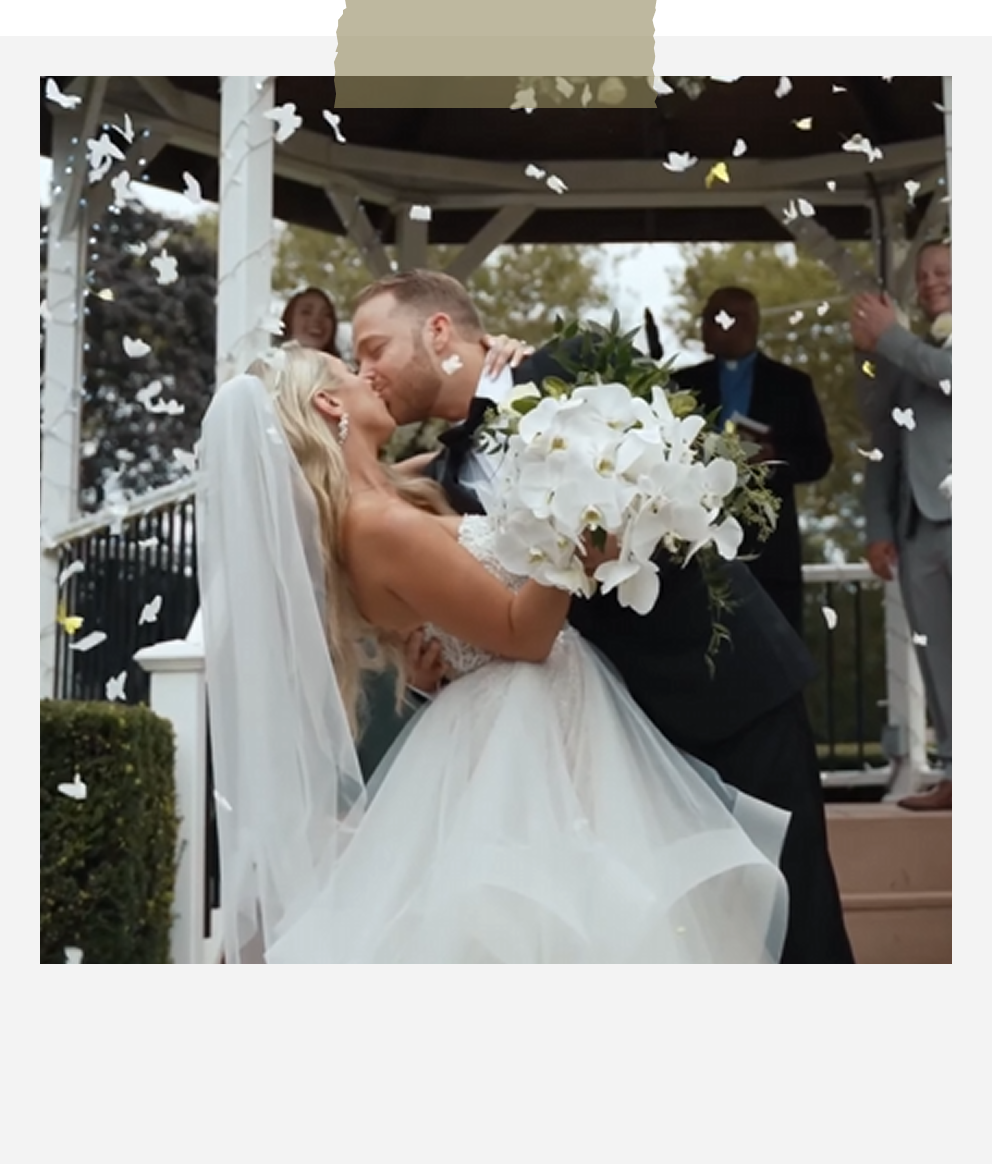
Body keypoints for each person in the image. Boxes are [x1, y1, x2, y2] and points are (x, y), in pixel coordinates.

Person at [196, 343, 792, 963]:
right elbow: (521, 635)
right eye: (351, 369)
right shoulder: (375, 523)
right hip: (523, 730)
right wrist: (579, 529)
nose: (368, 374)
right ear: (327, 401)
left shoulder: (396, 490)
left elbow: (479, 460)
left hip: (544, 718)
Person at [350, 269, 855, 964]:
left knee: (799, 935)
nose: (364, 370)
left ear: (437, 331)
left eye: (373, 347)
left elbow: (698, 469)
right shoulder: (432, 487)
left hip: (725, 694)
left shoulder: (575, 362)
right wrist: (440, 663)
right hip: (610, 751)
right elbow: (497, 611)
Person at [850, 241, 952, 812]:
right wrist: (876, 525)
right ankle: (958, 772)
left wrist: (891, 337)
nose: (931, 281)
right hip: (916, 527)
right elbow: (883, 440)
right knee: (937, 655)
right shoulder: (910, 348)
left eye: (943, 271)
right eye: (924, 274)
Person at [674, 287, 833, 640]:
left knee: (776, 656)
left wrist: (773, 458)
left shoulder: (791, 385)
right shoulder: (682, 385)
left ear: (749, 324)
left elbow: (818, 458)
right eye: (707, 317)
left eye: (720, 317)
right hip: (696, 549)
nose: (709, 326)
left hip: (769, 553)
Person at [280, 286, 341, 356]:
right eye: (306, 312)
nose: (317, 320)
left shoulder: (342, 366)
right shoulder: (269, 363)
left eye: (326, 314)